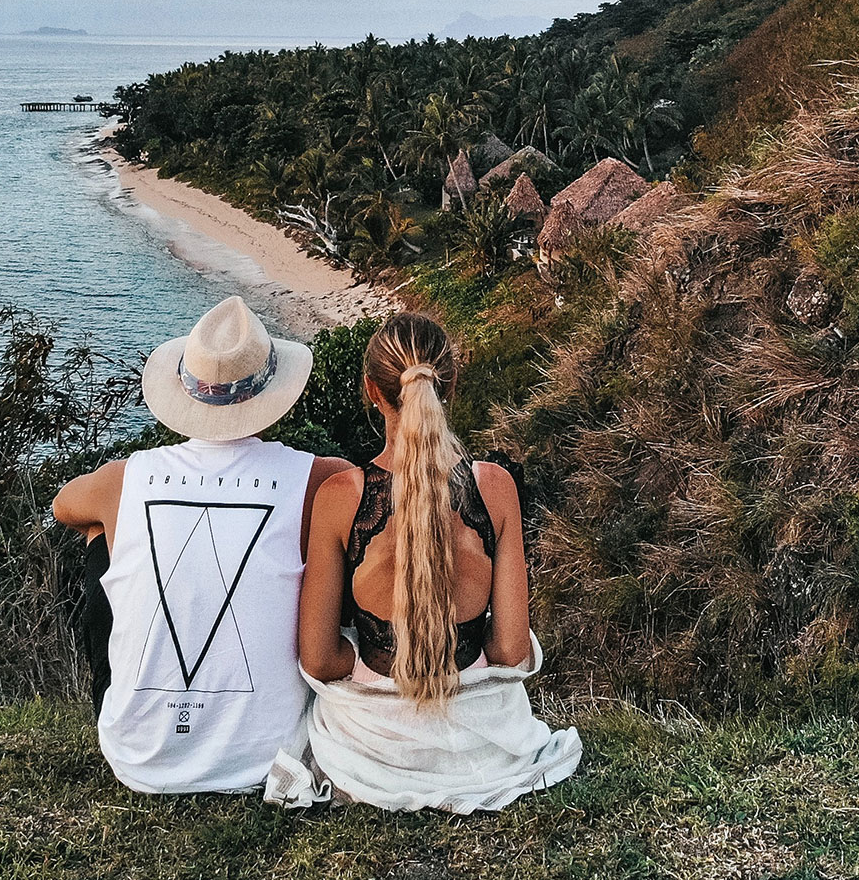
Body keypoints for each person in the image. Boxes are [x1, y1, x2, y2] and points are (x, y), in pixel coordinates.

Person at [272, 312, 580, 813]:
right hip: (481, 741)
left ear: (372, 391)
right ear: (448, 385)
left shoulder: (341, 496)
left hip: (373, 746)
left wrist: (364, 661)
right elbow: (510, 651)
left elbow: (320, 660)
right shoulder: (494, 487)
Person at [53, 296, 351, 794]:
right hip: (268, 753)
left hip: (139, 755)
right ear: (272, 394)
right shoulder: (321, 479)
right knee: (325, 537)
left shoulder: (126, 478)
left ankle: (148, 700)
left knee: (101, 532)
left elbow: (64, 506)